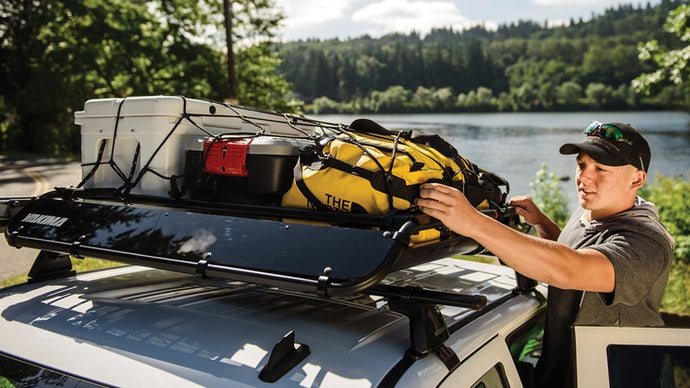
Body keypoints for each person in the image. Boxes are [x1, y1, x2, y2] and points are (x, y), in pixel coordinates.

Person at [415, 121, 675, 388]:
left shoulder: (646, 243)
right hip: (561, 371)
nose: (584, 177)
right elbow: (576, 252)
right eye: (582, 164)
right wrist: (543, 223)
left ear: (637, 179)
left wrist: (473, 222)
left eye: (601, 169)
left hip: (611, 379)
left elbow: (572, 269)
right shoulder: (596, 210)